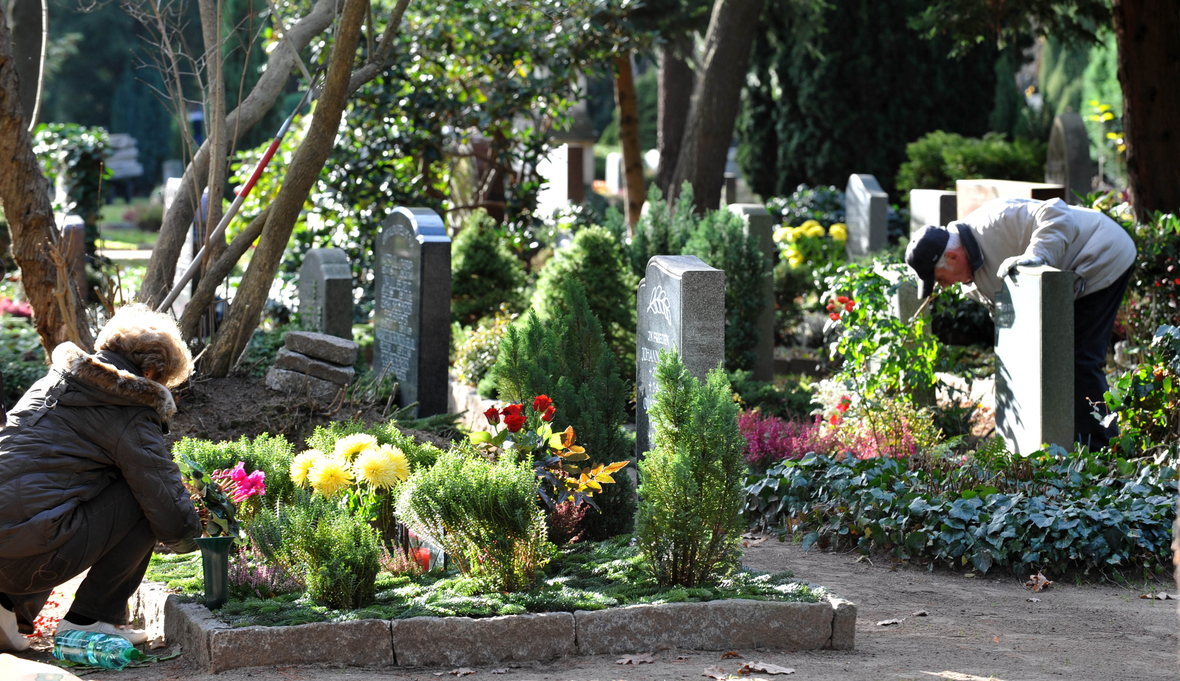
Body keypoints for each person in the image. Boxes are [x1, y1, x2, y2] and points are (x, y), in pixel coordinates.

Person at [0, 305, 201, 652]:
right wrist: (197, 539)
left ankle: (5, 606)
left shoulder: (53, 382)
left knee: (46, 497)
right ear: (152, 371)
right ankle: (92, 618)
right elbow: (169, 511)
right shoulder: (129, 409)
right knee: (148, 496)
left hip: (13, 548)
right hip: (26, 561)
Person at [906, 197, 1136, 450]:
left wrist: (1037, 254)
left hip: (1101, 254)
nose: (944, 286)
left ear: (951, 257)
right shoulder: (970, 282)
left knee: (1079, 357)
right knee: (1051, 360)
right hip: (1068, 280)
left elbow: (1057, 211)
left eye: (940, 278)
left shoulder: (997, 221)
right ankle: (1068, 441)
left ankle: (1102, 447)